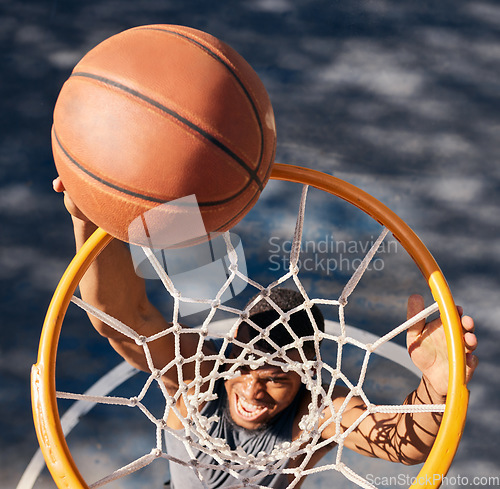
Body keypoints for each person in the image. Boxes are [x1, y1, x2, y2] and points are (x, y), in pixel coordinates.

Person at [53, 177, 478, 489]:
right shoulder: (196, 375)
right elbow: (119, 317)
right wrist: (89, 217)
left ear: (307, 373)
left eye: (276, 378)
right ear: (232, 350)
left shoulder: (315, 413)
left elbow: (402, 447)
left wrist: (437, 388)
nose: (253, 391)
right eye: (247, 368)